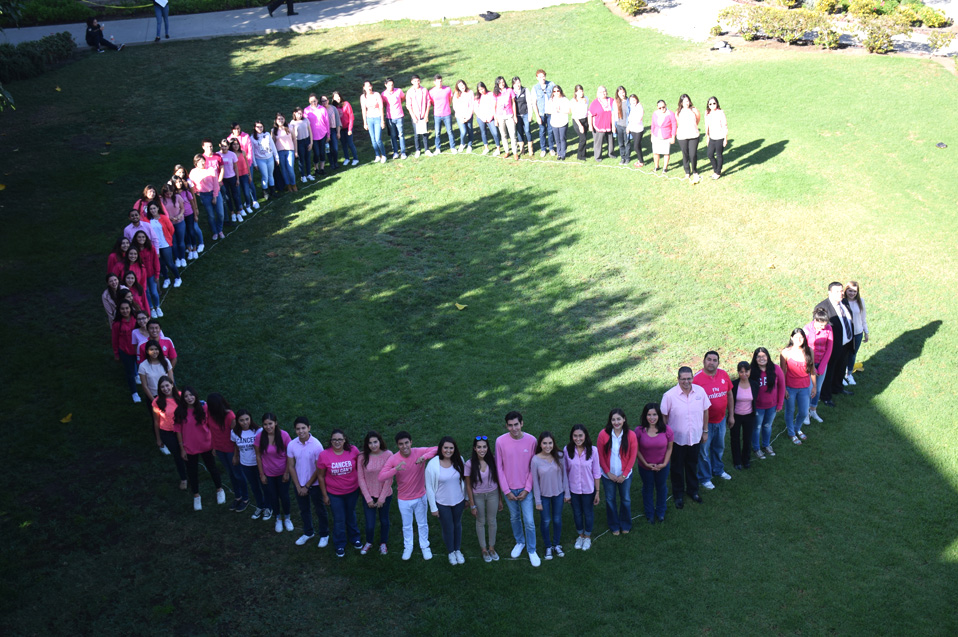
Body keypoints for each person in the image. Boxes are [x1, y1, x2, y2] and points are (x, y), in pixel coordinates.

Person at [377, 431, 437, 560]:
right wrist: (395, 469)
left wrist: (424, 457)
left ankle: (425, 546)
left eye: (406, 443)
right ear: (397, 445)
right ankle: (408, 547)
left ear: (411, 442)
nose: (404, 446)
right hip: (404, 499)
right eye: (401, 444)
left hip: (420, 496)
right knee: (407, 525)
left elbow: (437, 448)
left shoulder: (419, 452)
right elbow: (381, 477)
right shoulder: (393, 459)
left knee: (422, 524)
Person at [661, 366, 710, 508]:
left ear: (693, 378)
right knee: (677, 468)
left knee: (692, 465)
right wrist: (666, 437)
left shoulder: (700, 392)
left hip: (695, 438)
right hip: (677, 440)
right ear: (678, 379)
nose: (686, 382)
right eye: (683, 379)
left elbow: (705, 411)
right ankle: (678, 494)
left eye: (689, 378)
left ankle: (693, 491)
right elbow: (664, 417)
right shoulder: (669, 396)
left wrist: (705, 431)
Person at [495, 411, 540, 567]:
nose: (514, 428)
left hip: (525, 489)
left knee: (529, 521)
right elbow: (499, 467)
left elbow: (534, 467)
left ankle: (532, 549)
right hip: (509, 490)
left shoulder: (532, 441)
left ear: (522, 423)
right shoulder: (500, 441)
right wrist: (506, 491)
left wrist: (527, 489)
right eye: (510, 425)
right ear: (506, 426)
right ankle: (520, 542)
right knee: (514, 517)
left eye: (516, 424)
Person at [173, 387, 225, 511]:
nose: (189, 398)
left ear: (195, 395)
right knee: (192, 472)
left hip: (206, 445)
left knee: (212, 468)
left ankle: (219, 489)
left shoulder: (204, 407)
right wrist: (182, 448)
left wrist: (214, 444)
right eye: (186, 396)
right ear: (183, 398)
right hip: (189, 447)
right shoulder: (179, 412)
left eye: (191, 395)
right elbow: (178, 431)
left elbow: (211, 425)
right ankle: (196, 496)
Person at [693, 350, 734, 491]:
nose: (711, 362)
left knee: (719, 447)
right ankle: (705, 477)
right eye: (709, 359)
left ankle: (718, 469)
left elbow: (729, 395)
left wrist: (731, 415)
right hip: (704, 424)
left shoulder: (724, 375)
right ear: (704, 361)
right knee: (704, 452)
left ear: (718, 362)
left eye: (714, 360)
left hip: (721, 420)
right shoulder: (696, 380)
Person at [286, 417, 329, 547]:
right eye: (298, 429)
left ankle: (324, 534)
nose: (301, 431)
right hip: (299, 484)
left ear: (309, 428)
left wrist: (307, 486)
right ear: (295, 430)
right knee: (304, 509)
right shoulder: (291, 445)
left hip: (314, 485)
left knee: (320, 509)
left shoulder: (317, 445)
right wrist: (298, 486)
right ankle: (308, 532)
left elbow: (319, 469)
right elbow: (291, 466)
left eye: (303, 428)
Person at [425, 436, 467, 565]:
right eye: (446, 448)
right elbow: (429, 488)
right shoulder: (433, 464)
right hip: (442, 503)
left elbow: (464, 481)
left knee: (457, 525)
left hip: (458, 501)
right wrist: (433, 508)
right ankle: (451, 552)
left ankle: (457, 550)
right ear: (441, 448)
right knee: (448, 527)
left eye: (451, 448)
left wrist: (466, 499)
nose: (448, 450)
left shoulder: (459, 460)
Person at [596, 408, 637, 535]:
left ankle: (625, 524)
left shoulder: (631, 435)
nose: (616, 422)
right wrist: (608, 473)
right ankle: (614, 525)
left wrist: (624, 475)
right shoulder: (603, 434)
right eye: (613, 419)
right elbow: (600, 455)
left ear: (624, 419)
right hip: (608, 475)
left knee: (626, 499)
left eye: (618, 419)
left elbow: (632, 456)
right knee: (610, 499)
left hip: (625, 475)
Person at [530, 431, 569, 560]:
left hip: (558, 494)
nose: (548, 446)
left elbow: (565, 476)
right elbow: (535, 482)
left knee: (557, 519)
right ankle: (548, 546)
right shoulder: (535, 460)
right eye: (545, 443)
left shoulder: (560, 456)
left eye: (550, 443)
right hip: (544, 496)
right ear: (540, 444)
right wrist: (538, 501)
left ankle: (556, 544)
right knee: (546, 521)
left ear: (553, 443)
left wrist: (567, 493)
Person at [815, 282, 855, 407]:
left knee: (841, 367)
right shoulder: (822, 307)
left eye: (841, 291)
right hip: (831, 347)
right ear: (830, 293)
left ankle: (837, 387)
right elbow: (819, 329)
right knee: (829, 371)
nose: (841, 293)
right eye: (837, 291)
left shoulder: (844, 303)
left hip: (845, 344)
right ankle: (826, 396)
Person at [464, 435, 501, 562]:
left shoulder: (493, 460)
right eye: (479, 447)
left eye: (484, 447)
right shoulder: (469, 464)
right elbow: (468, 485)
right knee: (481, 521)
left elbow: (498, 480)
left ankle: (491, 547)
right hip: (477, 495)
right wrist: (472, 504)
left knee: (492, 521)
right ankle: (484, 549)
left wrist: (500, 499)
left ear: (488, 448)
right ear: (474, 448)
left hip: (493, 494)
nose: (482, 450)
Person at [207, 393, 246, 511]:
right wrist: (214, 446)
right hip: (220, 450)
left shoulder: (229, 416)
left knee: (238, 474)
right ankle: (238, 497)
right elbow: (213, 432)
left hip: (230, 450)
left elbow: (237, 436)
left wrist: (236, 454)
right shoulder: (210, 415)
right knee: (231, 474)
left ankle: (245, 498)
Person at [254, 413, 293, 531]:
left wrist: (287, 472)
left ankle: (287, 518)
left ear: (275, 423)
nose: (268, 427)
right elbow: (258, 456)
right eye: (265, 424)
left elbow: (290, 455)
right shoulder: (259, 437)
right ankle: (278, 518)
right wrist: (261, 474)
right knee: (273, 497)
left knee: (284, 496)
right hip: (268, 474)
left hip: (283, 472)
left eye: (270, 423)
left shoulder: (284, 435)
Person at [635, 403, 673, 524]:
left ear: (659, 415)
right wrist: (646, 464)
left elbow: (669, 448)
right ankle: (649, 513)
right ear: (645, 416)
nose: (652, 418)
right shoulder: (639, 431)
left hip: (662, 466)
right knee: (648, 488)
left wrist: (664, 463)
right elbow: (636, 450)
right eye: (649, 415)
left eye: (654, 414)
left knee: (661, 487)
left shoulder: (667, 430)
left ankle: (661, 512)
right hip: (645, 467)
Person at [564, 424, 600, 550]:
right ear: (571, 436)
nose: (578, 438)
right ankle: (580, 535)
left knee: (588, 513)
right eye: (575, 436)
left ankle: (587, 537)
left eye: (580, 435)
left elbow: (596, 472)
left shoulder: (593, 451)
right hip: (573, 490)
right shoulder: (567, 450)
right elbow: (565, 472)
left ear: (585, 436)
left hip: (588, 489)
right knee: (577, 513)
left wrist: (597, 492)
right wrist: (566, 492)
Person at [357, 431, 393, 555]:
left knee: (384, 520)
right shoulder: (362, 457)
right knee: (370, 524)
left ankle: (383, 543)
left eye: (375, 442)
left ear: (380, 441)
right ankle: (369, 542)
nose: (373, 445)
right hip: (369, 495)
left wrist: (382, 498)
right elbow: (361, 478)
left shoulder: (388, 455)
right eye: (370, 443)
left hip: (385, 495)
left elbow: (389, 478)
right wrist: (368, 498)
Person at [781, 328, 816, 445]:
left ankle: (797, 428)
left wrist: (814, 386)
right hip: (790, 387)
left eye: (801, 337)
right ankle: (791, 433)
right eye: (796, 337)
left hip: (805, 387)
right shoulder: (785, 352)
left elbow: (812, 370)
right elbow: (782, 372)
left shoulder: (809, 351)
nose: (799, 339)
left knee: (804, 412)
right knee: (790, 410)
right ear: (792, 338)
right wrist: (783, 388)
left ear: (804, 338)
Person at [750, 346, 785, 459]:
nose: (761, 359)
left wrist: (780, 403)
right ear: (755, 358)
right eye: (758, 356)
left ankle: (766, 445)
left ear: (768, 357)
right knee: (757, 427)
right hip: (758, 406)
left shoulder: (776, 369)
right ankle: (756, 448)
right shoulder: (752, 371)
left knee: (767, 426)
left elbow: (782, 386)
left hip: (772, 406)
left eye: (764, 356)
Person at [152, 377, 186, 487]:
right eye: (162, 387)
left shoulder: (181, 396)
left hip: (183, 430)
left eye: (167, 385)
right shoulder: (157, 402)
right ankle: (183, 478)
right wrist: (158, 439)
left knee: (188, 452)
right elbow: (156, 421)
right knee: (177, 455)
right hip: (168, 432)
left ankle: (191, 472)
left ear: (172, 384)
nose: (165, 388)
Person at [231, 409, 264, 517]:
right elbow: (236, 445)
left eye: (247, 419)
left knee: (264, 485)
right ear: (237, 421)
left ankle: (269, 507)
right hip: (245, 464)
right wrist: (235, 456)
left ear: (250, 419)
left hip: (259, 464)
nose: (245, 422)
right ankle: (260, 506)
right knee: (254, 487)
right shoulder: (234, 432)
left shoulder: (258, 431)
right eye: (241, 420)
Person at [804, 308, 834, 425]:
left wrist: (822, 366)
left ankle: (813, 410)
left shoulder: (829, 329)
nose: (823, 327)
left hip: (822, 363)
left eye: (825, 325)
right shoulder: (807, 329)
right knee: (809, 389)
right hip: (809, 364)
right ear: (815, 320)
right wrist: (812, 367)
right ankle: (805, 412)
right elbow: (804, 350)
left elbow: (829, 348)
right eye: (821, 325)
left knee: (818, 388)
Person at [189, 154, 225, 241]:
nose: (202, 163)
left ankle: (220, 230)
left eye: (203, 161)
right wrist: (197, 192)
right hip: (204, 195)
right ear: (195, 163)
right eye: (199, 162)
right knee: (211, 215)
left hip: (215, 192)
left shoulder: (211, 170)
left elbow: (216, 184)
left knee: (221, 214)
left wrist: (215, 196)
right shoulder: (193, 172)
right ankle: (215, 232)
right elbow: (191, 184)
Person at [111, 300, 140, 403]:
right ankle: (134, 393)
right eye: (122, 309)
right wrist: (116, 354)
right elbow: (114, 340)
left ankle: (139, 379)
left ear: (130, 308)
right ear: (119, 310)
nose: (125, 311)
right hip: (125, 351)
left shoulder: (136, 319)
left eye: (127, 308)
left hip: (138, 350)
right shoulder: (117, 324)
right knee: (129, 373)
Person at [730, 362, 756, 470]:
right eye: (741, 372)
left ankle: (746, 460)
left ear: (750, 371)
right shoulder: (734, 385)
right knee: (735, 439)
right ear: (738, 372)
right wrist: (731, 416)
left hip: (749, 416)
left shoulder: (754, 384)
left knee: (747, 438)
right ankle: (737, 461)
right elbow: (730, 400)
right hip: (736, 416)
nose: (744, 374)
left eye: (746, 371)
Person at [843, 280, 869, 386]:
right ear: (846, 290)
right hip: (846, 333)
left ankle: (849, 374)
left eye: (855, 291)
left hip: (858, 333)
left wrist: (866, 332)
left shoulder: (860, 301)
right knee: (843, 355)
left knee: (852, 354)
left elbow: (863, 318)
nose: (852, 293)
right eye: (850, 290)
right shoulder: (842, 301)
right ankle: (841, 374)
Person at [159, 184, 188, 267]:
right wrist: (169, 217)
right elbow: (161, 212)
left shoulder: (177, 197)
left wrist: (179, 215)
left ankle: (182, 258)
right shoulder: (161, 200)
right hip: (168, 224)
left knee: (181, 241)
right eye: (167, 194)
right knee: (173, 242)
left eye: (170, 193)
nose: (169, 195)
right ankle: (177, 258)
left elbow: (182, 208)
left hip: (179, 221)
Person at [675, 93, 702, 183]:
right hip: (682, 136)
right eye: (684, 101)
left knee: (693, 154)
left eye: (687, 101)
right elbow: (679, 123)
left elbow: (698, 119)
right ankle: (687, 171)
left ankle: (695, 171)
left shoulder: (694, 110)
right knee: (685, 154)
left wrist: (693, 127)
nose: (686, 103)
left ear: (689, 101)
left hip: (693, 135)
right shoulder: (678, 112)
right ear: (681, 103)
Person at [137, 340, 174, 404]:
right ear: (147, 351)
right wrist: (154, 401)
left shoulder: (166, 361)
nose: (154, 352)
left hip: (167, 393)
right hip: (153, 396)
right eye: (151, 349)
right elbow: (144, 386)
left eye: (156, 349)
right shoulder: (143, 366)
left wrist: (171, 395)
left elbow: (171, 380)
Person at [250, 122, 280, 199]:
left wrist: (276, 157)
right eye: (258, 127)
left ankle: (273, 190)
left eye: (261, 127)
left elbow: (273, 146)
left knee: (271, 175)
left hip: (270, 158)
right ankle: (265, 192)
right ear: (254, 128)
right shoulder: (252, 138)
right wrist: (255, 163)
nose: (260, 128)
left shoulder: (267, 134)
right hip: (260, 159)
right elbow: (252, 151)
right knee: (265, 176)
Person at [360, 81, 387, 163]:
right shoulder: (363, 97)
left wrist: (382, 121)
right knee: (373, 139)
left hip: (377, 118)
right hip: (369, 119)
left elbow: (381, 108)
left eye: (370, 86)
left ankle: (383, 155)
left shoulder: (376, 94)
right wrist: (365, 122)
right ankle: (377, 155)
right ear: (364, 88)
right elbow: (364, 110)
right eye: (367, 86)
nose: (369, 88)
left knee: (378, 139)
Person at [405, 76, 431, 158]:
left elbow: (428, 103)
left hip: (423, 115)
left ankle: (427, 149)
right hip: (415, 116)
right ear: (412, 82)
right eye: (415, 81)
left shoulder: (424, 90)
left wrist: (426, 115)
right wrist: (413, 116)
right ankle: (418, 150)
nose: (417, 82)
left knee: (425, 133)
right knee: (416, 134)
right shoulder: (409, 92)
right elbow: (408, 105)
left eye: (418, 81)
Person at [429, 75, 456, 155]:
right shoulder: (431, 92)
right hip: (437, 115)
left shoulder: (447, 89)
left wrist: (446, 106)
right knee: (437, 132)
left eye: (441, 81)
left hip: (447, 113)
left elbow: (450, 99)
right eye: (438, 82)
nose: (440, 83)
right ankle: (438, 148)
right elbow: (432, 102)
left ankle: (452, 147)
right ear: (434, 82)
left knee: (450, 131)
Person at [493, 76, 518, 159]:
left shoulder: (509, 90)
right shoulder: (496, 93)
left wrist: (515, 116)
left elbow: (513, 103)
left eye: (503, 82)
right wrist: (496, 119)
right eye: (500, 82)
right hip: (500, 116)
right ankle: (507, 151)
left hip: (509, 115)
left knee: (512, 134)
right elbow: (494, 106)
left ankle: (515, 152)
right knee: (503, 135)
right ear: (497, 84)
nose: (502, 84)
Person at [532, 69, 555, 156]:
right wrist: (537, 116)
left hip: (550, 113)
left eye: (543, 76)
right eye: (540, 77)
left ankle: (551, 148)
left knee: (550, 131)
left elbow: (556, 96)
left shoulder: (551, 85)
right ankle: (543, 149)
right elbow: (534, 103)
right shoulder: (535, 88)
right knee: (542, 131)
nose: (542, 78)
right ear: (537, 78)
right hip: (541, 113)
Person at [332, 91, 359, 166]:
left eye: (338, 96)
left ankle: (355, 158)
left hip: (347, 128)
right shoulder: (334, 107)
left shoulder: (346, 104)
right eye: (335, 97)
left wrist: (350, 129)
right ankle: (347, 158)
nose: (337, 98)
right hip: (340, 129)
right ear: (333, 98)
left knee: (350, 143)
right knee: (343, 144)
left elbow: (351, 116)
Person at [272, 113, 297, 191]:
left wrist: (296, 151)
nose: (280, 120)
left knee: (290, 169)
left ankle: (293, 184)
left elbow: (294, 139)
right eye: (279, 119)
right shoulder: (273, 130)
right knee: (283, 169)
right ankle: (288, 185)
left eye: (282, 119)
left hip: (290, 150)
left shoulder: (289, 127)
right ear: (276, 120)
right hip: (280, 152)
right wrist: (275, 155)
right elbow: (273, 143)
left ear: (284, 119)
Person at [382, 78, 407, 159]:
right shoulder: (383, 94)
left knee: (401, 134)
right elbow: (384, 104)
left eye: (392, 85)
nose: (391, 86)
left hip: (399, 116)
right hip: (390, 118)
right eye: (389, 85)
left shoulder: (399, 91)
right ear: (385, 85)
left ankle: (403, 152)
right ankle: (395, 152)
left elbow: (403, 98)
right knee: (393, 135)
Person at [289, 107, 315, 184]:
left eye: (301, 113)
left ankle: (309, 174)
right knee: (301, 160)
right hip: (299, 142)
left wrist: (311, 142)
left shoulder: (306, 120)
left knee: (308, 158)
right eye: (298, 113)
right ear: (294, 113)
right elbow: (293, 136)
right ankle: (303, 176)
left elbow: (310, 131)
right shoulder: (292, 123)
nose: (300, 115)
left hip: (307, 140)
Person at [704, 96, 728, 179]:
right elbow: (707, 126)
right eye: (710, 104)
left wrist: (725, 139)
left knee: (719, 155)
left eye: (714, 103)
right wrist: (707, 137)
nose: (712, 105)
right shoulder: (707, 113)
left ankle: (718, 172)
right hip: (712, 137)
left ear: (717, 104)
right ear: (708, 105)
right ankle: (715, 170)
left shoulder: (720, 113)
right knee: (710, 154)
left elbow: (724, 126)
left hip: (720, 137)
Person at [650, 100, 676, 174]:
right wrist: (652, 135)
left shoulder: (670, 114)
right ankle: (656, 166)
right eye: (660, 108)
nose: (662, 109)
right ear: (657, 107)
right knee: (655, 152)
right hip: (656, 135)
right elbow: (653, 125)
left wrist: (673, 137)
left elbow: (674, 125)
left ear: (666, 105)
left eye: (663, 107)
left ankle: (665, 168)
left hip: (666, 136)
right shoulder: (655, 113)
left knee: (666, 153)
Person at [588, 86, 614, 161]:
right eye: (601, 92)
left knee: (611, 141)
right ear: (597, 94)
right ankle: (598, 156)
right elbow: (590, 114)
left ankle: (611, 154)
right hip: (599, 126)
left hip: (610, 125)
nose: (603, 93)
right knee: (598, 142)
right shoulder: (594, 103)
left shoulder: (611, 100)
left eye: (604, 91)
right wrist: (590, 125)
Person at [475, 82, 500, 155]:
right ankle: (486, 148)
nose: (481, 91)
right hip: (481, 118)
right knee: (483, 132)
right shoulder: (477, 98)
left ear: (485, 87)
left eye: (482, 89)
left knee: (495, 132)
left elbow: (494, 106)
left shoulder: (491, 94)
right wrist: (482, 117)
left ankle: (498, 148)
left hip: (490, 117)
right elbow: (476, 109)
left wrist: (490, 117)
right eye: (479, 90)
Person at [511, 76, 534, 157]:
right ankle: (522, 148)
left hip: (525, 114)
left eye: (519, 83)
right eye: (515, 83)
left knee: (527, 130)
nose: (518, 85)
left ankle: (530, 147)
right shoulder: (511, 92)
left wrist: (530, 114)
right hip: (517, 115)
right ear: (513, 85)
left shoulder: (525, 90)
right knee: (519, 131)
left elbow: (529, 103)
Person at [548, 86, 570, 160]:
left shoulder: (565, 100)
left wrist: (560, 110)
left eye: (558, 91)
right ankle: (559, 153)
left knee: (562, 138)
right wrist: (554, 110)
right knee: (557, 139)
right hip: (554, 122)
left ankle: (563, 154)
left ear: (560, 91)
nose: (556, 92)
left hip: (563, 122)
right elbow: (548, 111)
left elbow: (568, 111)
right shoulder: (551, 100)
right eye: (554, 91)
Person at [452, 80, 474, 154]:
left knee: (470, 130)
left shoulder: (470, 92)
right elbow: (455, 107)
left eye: (462, 85)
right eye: (460, 86)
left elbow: (471, 105)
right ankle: (462, 143)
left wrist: (468, 117)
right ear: (457, 87)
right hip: (460, 116)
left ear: (465, 84)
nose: (462, 87)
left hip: (468, 116)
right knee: (463, 131)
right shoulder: (456, 94)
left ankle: (470, 145)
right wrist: (461, 117)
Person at [570, 85, 590, 162]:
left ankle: (584, 153)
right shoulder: (573, 101)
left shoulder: (586, 99)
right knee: (583, 138)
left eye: (582, 91)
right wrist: (580, 126)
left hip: (585, 120)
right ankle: (579, 155)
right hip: (577, 121)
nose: (581, 93)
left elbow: (587, 110)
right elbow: (574, 115)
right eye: (579, 91)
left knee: (585, 137)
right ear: (576, 92)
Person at [321, 95, 341, 169]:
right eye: (322, 101)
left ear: (328, 100)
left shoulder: (333, 108)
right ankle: (331, 163)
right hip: (325, 132)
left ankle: (335, 162)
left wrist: (338, 132)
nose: (324, 102)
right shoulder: (320, 110)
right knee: (327, 149)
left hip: (333, 130)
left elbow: (338, 120)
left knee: (335, 148)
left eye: (325, 100)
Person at [612, 86, 631, 165]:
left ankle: (627, 157)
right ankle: (622, 158)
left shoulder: (629, 101)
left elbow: (632, 114)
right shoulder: (615, 102)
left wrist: (629, 126)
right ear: (617, 94)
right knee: (620, 143)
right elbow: (613, 114)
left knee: (627, 142)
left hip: (627, 126)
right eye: (620, 93)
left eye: (623, 92)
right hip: (619, 126)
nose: (622, 94)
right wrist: (613, 126)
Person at [627, 94, 645, 167]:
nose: (633, 102)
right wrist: (629, 126)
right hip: (633, 129)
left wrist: (631, 124)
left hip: (638, 130)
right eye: (631, 100)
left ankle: (641, 162)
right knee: (638, 146)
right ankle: (640, 160)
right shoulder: (632, 107)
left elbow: (638, 119)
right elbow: (630, 118)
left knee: (636, 146)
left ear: (637, 100)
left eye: (634, 100)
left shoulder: (639, 107)